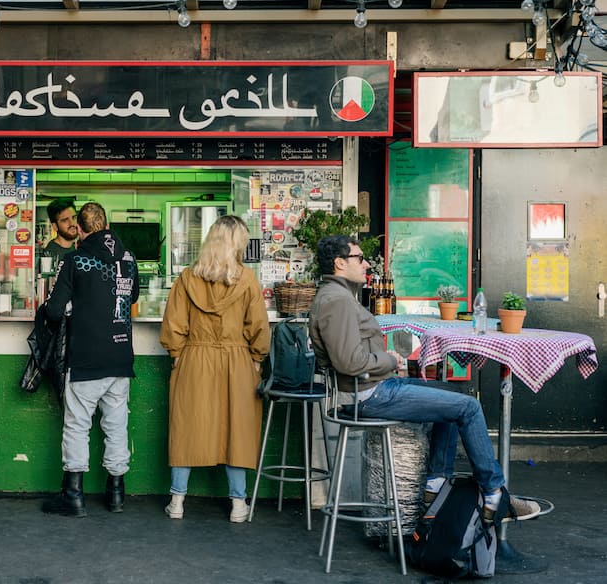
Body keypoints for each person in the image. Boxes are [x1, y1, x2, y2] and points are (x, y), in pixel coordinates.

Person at [308, 234, 541, 523]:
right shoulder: (337, 301)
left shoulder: (336, 296)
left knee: (458, 395)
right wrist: (391, 360)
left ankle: (436, 483)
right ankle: (494, 494)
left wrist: (385, 362)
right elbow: (349, 362)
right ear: (340, 263)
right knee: (468, 408)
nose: (366, 263)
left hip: (373, 386)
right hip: (370, 395)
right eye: (359, 258)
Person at [159, 215, 270, 523]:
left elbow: (173, 326)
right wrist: (257, 359)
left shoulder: (186, 278)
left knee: (187, 427)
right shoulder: (247, 279)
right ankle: (238, 504)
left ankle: (177, 501)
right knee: (238, 429)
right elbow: (259, 327)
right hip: (237, 360)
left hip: (195, 359)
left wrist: (178, 355)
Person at [41, 202, 140, 517]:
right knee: (116, 424)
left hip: (86, 357)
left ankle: (73, 495)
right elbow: (133, 296)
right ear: (107, 224)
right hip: (121, 355)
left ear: (81, 230)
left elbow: (55, 310)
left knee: (77, 426)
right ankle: (116, 493)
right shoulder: (129, 258)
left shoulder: (76, 260)